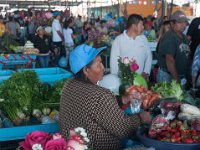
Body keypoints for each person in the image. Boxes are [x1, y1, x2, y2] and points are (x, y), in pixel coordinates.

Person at [59, 44, 151, 150]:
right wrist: (141, 118)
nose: (103, 68)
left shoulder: (69, 85)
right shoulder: (99, 95)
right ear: (85, 70)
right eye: (99, 65)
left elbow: (94, 108)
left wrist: (122, 100)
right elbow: (123, 129)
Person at [110, 14, 152, 81]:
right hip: (125, 81)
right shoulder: (118, 40)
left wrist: (146, 72)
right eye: (141, 25)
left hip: (141, 79)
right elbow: (114, 63)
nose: (143, 27)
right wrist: (116, 81)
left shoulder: (143, 39)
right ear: (134, 26)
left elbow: (149, 56)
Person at [157, 10, 191, 86]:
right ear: (172, 23)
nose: (183, 25)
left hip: (180, 77)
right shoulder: (170, 36)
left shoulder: (184, 37)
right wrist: (176, 80)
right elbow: (169, 60)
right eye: (179, 22)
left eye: (185, 22)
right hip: (168, 77)